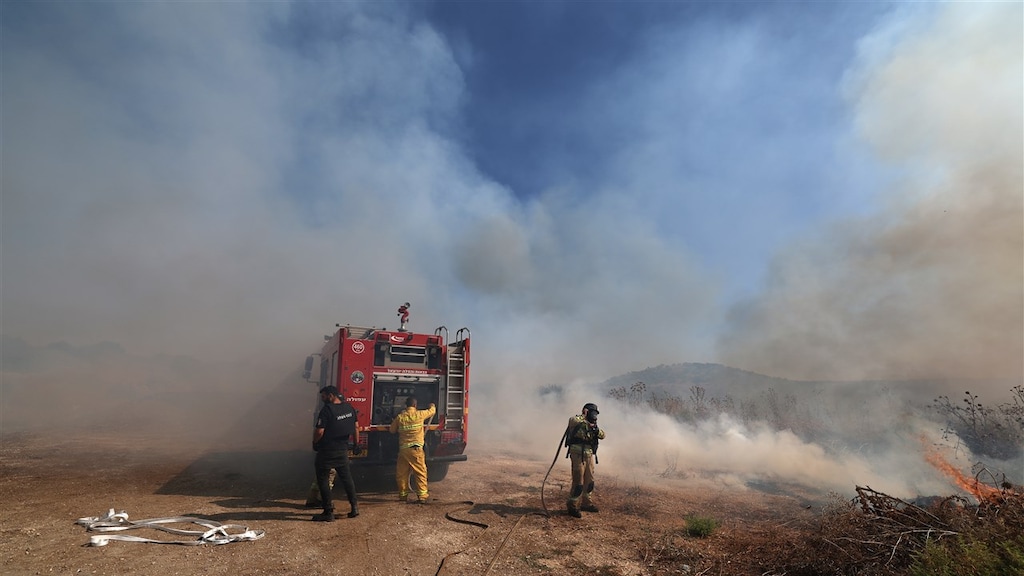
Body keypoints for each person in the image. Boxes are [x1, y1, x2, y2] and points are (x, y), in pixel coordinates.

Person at [311, 386, 360, 522]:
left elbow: (320, 431)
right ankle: (354, 508)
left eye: (324, 396)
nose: (322, 399)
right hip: (342, 450)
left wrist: (315, 443)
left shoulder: (327, 410)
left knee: (323, 479)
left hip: (327, 451)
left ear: (331, 395)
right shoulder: (349, 408)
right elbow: (356, 427)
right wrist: (356, 444)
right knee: (347, 479)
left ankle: (328, 512)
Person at [389, 396, 435, 503]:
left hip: (404, 451)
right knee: (420, 472)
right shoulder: (419, 414)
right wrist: (432, 405)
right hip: (416, 450)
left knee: (402, 474)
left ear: (406, 406)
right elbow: (432, 411)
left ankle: (403, 496)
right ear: (415, 405)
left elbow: (392, 430)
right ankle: (423, 496)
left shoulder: (400, 417)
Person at [565, 402, 605, 518]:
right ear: (585, 411)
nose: (594, 415)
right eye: (591, 412)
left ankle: (587, 503)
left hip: (589, 454)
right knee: (578, 481)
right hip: (577, 454)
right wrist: (584, 416)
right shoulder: (577, 420)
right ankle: (573, 506)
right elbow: (572, 420)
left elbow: (603, 435)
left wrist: (595, 429)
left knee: (590, 480)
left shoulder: (593, 424)